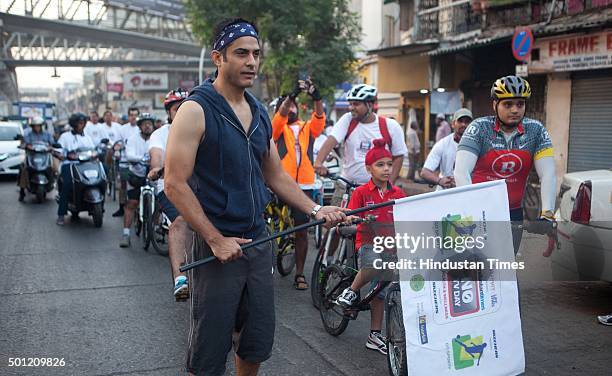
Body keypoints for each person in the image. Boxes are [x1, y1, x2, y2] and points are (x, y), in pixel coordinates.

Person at [163, 18, 347, 376]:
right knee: (209, 351)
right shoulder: (195, 110)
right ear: (218, 57)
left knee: (255, 341)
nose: (251, 62)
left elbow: (274, 173)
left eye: (256, 54)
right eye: (241, 53)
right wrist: (215, 240)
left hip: (258, 240)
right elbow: (174, 183)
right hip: (218, 247)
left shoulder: (260, 111)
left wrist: (315, 207)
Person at [454, 75, 557, 253]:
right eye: (507, 104)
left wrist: (547, 214)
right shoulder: (479, 128)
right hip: (476, 212)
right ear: (495, 105)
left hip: (513, 213)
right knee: (474, 271)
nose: (515, 110)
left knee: (507, 270)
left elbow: (548, 174)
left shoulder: (536, 131)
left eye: (520, 104)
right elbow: (461, 172)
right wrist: (472, 212)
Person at [335, 139, 406, 355]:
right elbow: (350, 213)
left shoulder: (398, 194)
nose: (386, 169)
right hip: (366, 244)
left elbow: (408, 213)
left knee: (381, 292)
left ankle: (374, 335)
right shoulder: (362, 193)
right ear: (369, 169)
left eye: (389, 164)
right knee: (374, 262)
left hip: (391, 247)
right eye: (380, 165)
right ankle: (352, 290)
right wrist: (354, 219)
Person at [272, 78, 325, 290]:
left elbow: (319, 118)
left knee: (302, 231)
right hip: (280, 184)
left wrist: (317, 98)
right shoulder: (276, 127)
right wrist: (291, 95)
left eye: (293, 105)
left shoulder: (307, 128)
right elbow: (280, 117)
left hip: (304, 185)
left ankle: (300, 274)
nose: (291, 107)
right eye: (287, 105)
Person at [314, 84, 408, 204]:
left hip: (377, 190)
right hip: (346, 187)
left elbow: (399, 156)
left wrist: (389, 185)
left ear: (369, 105)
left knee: (376, 222)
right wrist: (318, 162)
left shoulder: (390, 126)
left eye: (356, 104)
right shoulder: (348, 120)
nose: (351, 108)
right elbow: (332, 140)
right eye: (350, 104)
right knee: (336, 220)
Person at [147, 88, 192, 300]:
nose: (182, 112)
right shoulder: (159, 134)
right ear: (169, 113)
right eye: (177, 108)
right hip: (169, 186)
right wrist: (157, 169)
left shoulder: (201, 128)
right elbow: (156, 157)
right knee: (181, 221)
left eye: (186, 107)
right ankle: (180, 278)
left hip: (199, 187)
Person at [119, 113, 155, 248]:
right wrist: (141, 159)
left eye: (150, 124)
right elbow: (129, 155)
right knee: (131, 203)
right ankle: (126, 234)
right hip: (136, 175)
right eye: (145, 124)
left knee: (159, 202)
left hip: (153, 175)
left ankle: (156, 228)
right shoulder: (133, 139)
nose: (147, 126)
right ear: (140, 126)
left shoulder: (156, 138)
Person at [56, 113, 95, 225]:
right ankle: (61, 214)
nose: (82, 125)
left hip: (85, 164)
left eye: (83, 123)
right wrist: (62, 155)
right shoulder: (65, 136)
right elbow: (58, 151)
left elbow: (92, 150)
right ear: (74, 124)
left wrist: (95, 154)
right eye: (79, 123)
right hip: (69, 164)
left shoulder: (87, 137)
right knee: (68, 184)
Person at [421, 108, 472, 190]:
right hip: (446, 192)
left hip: (468, 191)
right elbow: (425, 172)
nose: (463, 124)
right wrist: (440, 180)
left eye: (467, 122)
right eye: (460, 121)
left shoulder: (478, 145)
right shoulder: (443, 144)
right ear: (453, 124)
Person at [17, 116, 55, 201]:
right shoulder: (28, 135)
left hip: (45, 155)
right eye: (35, 126)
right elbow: (25, 143)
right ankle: (22, 191)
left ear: (41, 126)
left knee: (56, 168)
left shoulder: (47, 134)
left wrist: (51, 147)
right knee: (23, 168)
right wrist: (26, 146)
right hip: (31, 155)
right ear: (32, 126)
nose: (37, 127)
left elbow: (52, 143)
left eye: (38, 125)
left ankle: (56, 185)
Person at [113, 107, 140, 217]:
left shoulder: (141, 128)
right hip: (125, 161)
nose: (133, 117)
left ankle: (140, 209)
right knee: (123, 186)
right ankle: (121, 207)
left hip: (139, 162)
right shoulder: (122, 129)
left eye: (135, 115)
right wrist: (117, 148)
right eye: (131, 115)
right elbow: (117, 143)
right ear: (128, 117)